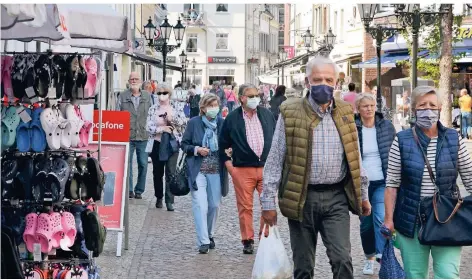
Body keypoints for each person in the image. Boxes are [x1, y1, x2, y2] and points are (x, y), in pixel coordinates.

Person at [261, 56, 371, 279]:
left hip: (336, 197)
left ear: (337, 83)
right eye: (318, 79)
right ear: (307, 81)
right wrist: (267, 203)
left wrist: (363, 194)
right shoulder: (289, 112)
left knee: (342, 259)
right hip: (302, 197)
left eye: (329, 80)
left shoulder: (345, 111)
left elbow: (355, 156)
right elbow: (275, 158)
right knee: (303, 266)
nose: (324, 84)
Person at [384, 85, 472, 279]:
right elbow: (392, 184)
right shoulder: (401, 140)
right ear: (414, 109)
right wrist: (389, 219)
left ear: (440, 108)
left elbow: (470, 177)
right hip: (411, 219)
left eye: (432, 105)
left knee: (448, 275)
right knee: (415, 275)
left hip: (447, 218)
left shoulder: (453, 138)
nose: (428, 110)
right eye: (422, 105)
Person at [219, 83, 276, 254]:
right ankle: (247, 240)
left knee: (268, 205)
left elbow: (275, 139)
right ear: (241, 98)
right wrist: (230, 168)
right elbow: (223, 144)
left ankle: (265, 238)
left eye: (256, 95)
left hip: (265, 168)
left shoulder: (266, 114)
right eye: (250, 96)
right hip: (243, 169)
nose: (254, 99)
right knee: (245, 206)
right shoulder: (233, 118)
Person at [181, 93, 228, 254]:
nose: (214, 109)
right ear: (203, 108)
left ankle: (210, 233)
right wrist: (196, 150)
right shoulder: (194, 123)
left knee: (214, 205)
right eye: (210, 106)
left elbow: (228, 142)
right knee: (200, 205)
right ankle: (203, 241)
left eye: (216, 105)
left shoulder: (222, 123)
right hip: (198, 171)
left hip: (216, 170)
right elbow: (184, 144)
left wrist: (229, 150)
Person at [354, 93, 395, 275]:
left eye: (372, 105)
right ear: (358, 109)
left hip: (382, 181)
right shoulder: (353, 127)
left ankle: (382, 257)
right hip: (361, 184)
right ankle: (369, 256)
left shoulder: (386, 126)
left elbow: (395, 150)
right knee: (366, 225)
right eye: (365, 106)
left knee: (380, 218)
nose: (369, 109)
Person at [145, 83, 188, 211]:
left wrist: (172, 119)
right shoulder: (153, 108)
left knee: (170, 172)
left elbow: (184, 122)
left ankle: (170, 200)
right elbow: (148, 127)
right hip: (157, 144)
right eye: (159, 93)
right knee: (157, 173)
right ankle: (159, 197)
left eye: (164, 93)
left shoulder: (176, 107)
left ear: (169, 94)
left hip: (172, 144)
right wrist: (161, 128)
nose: (162, 96)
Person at [116, 72, 153, 199]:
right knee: (127, 164)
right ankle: (129, 190)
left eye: (136, 79)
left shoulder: (148, 96)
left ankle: (139, 190)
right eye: (132, 79)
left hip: (143, 135)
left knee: (143, 163)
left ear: (141, 81)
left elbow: (152, 114)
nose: (134, 81)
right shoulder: (122, 96)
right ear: (128, 81)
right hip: (127, 135)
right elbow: (117, 114)